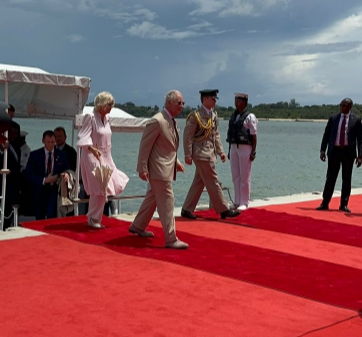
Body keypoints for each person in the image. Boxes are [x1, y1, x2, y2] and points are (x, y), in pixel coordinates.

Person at [129, 90, 188, 249]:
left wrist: (176, 162)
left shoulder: (172, 121)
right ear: (169, 102)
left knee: (152, 199)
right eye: (179, 103)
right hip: (158, 171)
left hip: (165, 169)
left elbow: (168, 147)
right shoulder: (157, 120)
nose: (182, 106)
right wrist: (142, 168)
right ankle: (171, 239)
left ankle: (138, 226)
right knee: (168, 202)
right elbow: (145, 146)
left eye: (183, 103)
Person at [181, 89, 241, 220]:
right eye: (213, 98)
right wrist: (187, 155)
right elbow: (188, 136)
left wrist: (221, 152)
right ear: (205, 99)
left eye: (215, 99)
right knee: (213, 180)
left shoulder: (213, 115)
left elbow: (216, 136)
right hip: (200, 153)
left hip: (210, 153)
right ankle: (224, 209)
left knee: (199, 182)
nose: (214, 101)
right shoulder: (195, 115)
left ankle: (186, 209)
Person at [76, 91, 129, 229]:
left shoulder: (107, 119)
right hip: (91, 154)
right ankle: (93, 218)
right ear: (101, 104)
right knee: (99, 187)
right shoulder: (90, 117)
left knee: (108, 186)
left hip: (105, 155)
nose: (111, 107)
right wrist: (92, 149)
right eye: (109, 104)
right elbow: (83, 136)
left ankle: (95, 218)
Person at [317, 98, 362, 213]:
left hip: (348, 152)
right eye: (341, 105)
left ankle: (344, 204)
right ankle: (325, 202)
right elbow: (326, 135)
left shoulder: (356, 119)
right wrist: (322, 150)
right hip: (335, 151)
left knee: (346, 179)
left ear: (350, 107)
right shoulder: (333, 118)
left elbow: (360, 139)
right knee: (330, 178)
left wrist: (360, 156)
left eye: (344, 106)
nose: (342, 107)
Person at [25, 130, 70, 220]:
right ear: (43, 141)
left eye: (53, 142)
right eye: (48, 142)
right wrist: (44, 180)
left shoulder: (61, 155)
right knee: (39, 216)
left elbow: (67, 169)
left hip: (54, 190)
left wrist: (66, 174)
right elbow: (28, 175)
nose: (50, 145)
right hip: (40, 190)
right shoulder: (35, 155)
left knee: (52, 214)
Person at [226, 92, 258, 211]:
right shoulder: (233, 116)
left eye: (238, 101)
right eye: (235, 100)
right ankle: (237, 201)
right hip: (234, 147)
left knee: (245, 176)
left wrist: (253, 151)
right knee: (235, 175)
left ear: (244, 102)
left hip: (245, 148)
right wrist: (229, 151)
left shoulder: (250, 117)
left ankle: (244, 201)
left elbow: (254, 136)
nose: (236, 103)